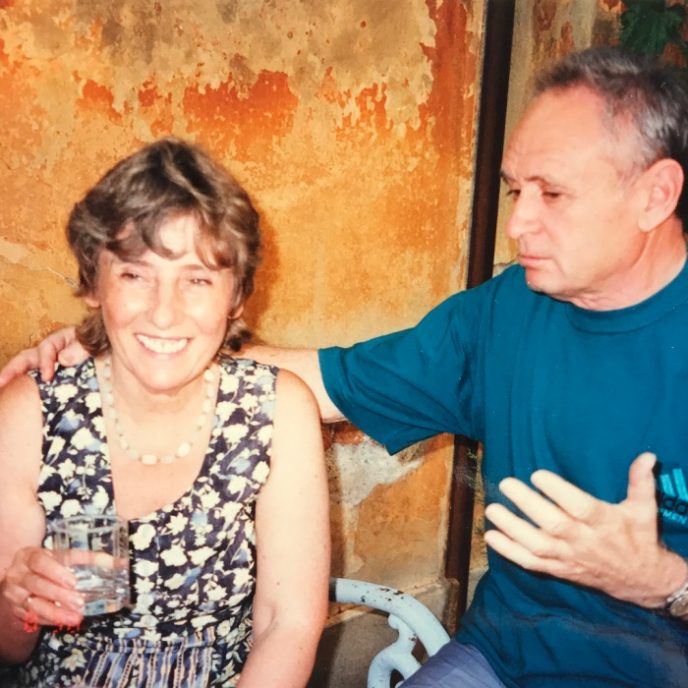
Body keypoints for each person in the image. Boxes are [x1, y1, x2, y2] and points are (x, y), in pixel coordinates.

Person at [4, 46, 688, 686]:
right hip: (503, 656)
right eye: (515, 192)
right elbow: (329, 380)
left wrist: (667, 583)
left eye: (553, 194)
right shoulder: (506, 311)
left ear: (656, 195)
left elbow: (286, 623)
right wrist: (121, 342)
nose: (517, 226)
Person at [0, 138, 330, 687]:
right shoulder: (32, 413)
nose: (163, 313)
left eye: (197, 280)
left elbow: (287, 625)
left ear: (236, 296)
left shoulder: (275, 412)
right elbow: (10, 651)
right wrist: (18, 604)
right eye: (135, 275)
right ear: (94, 282)